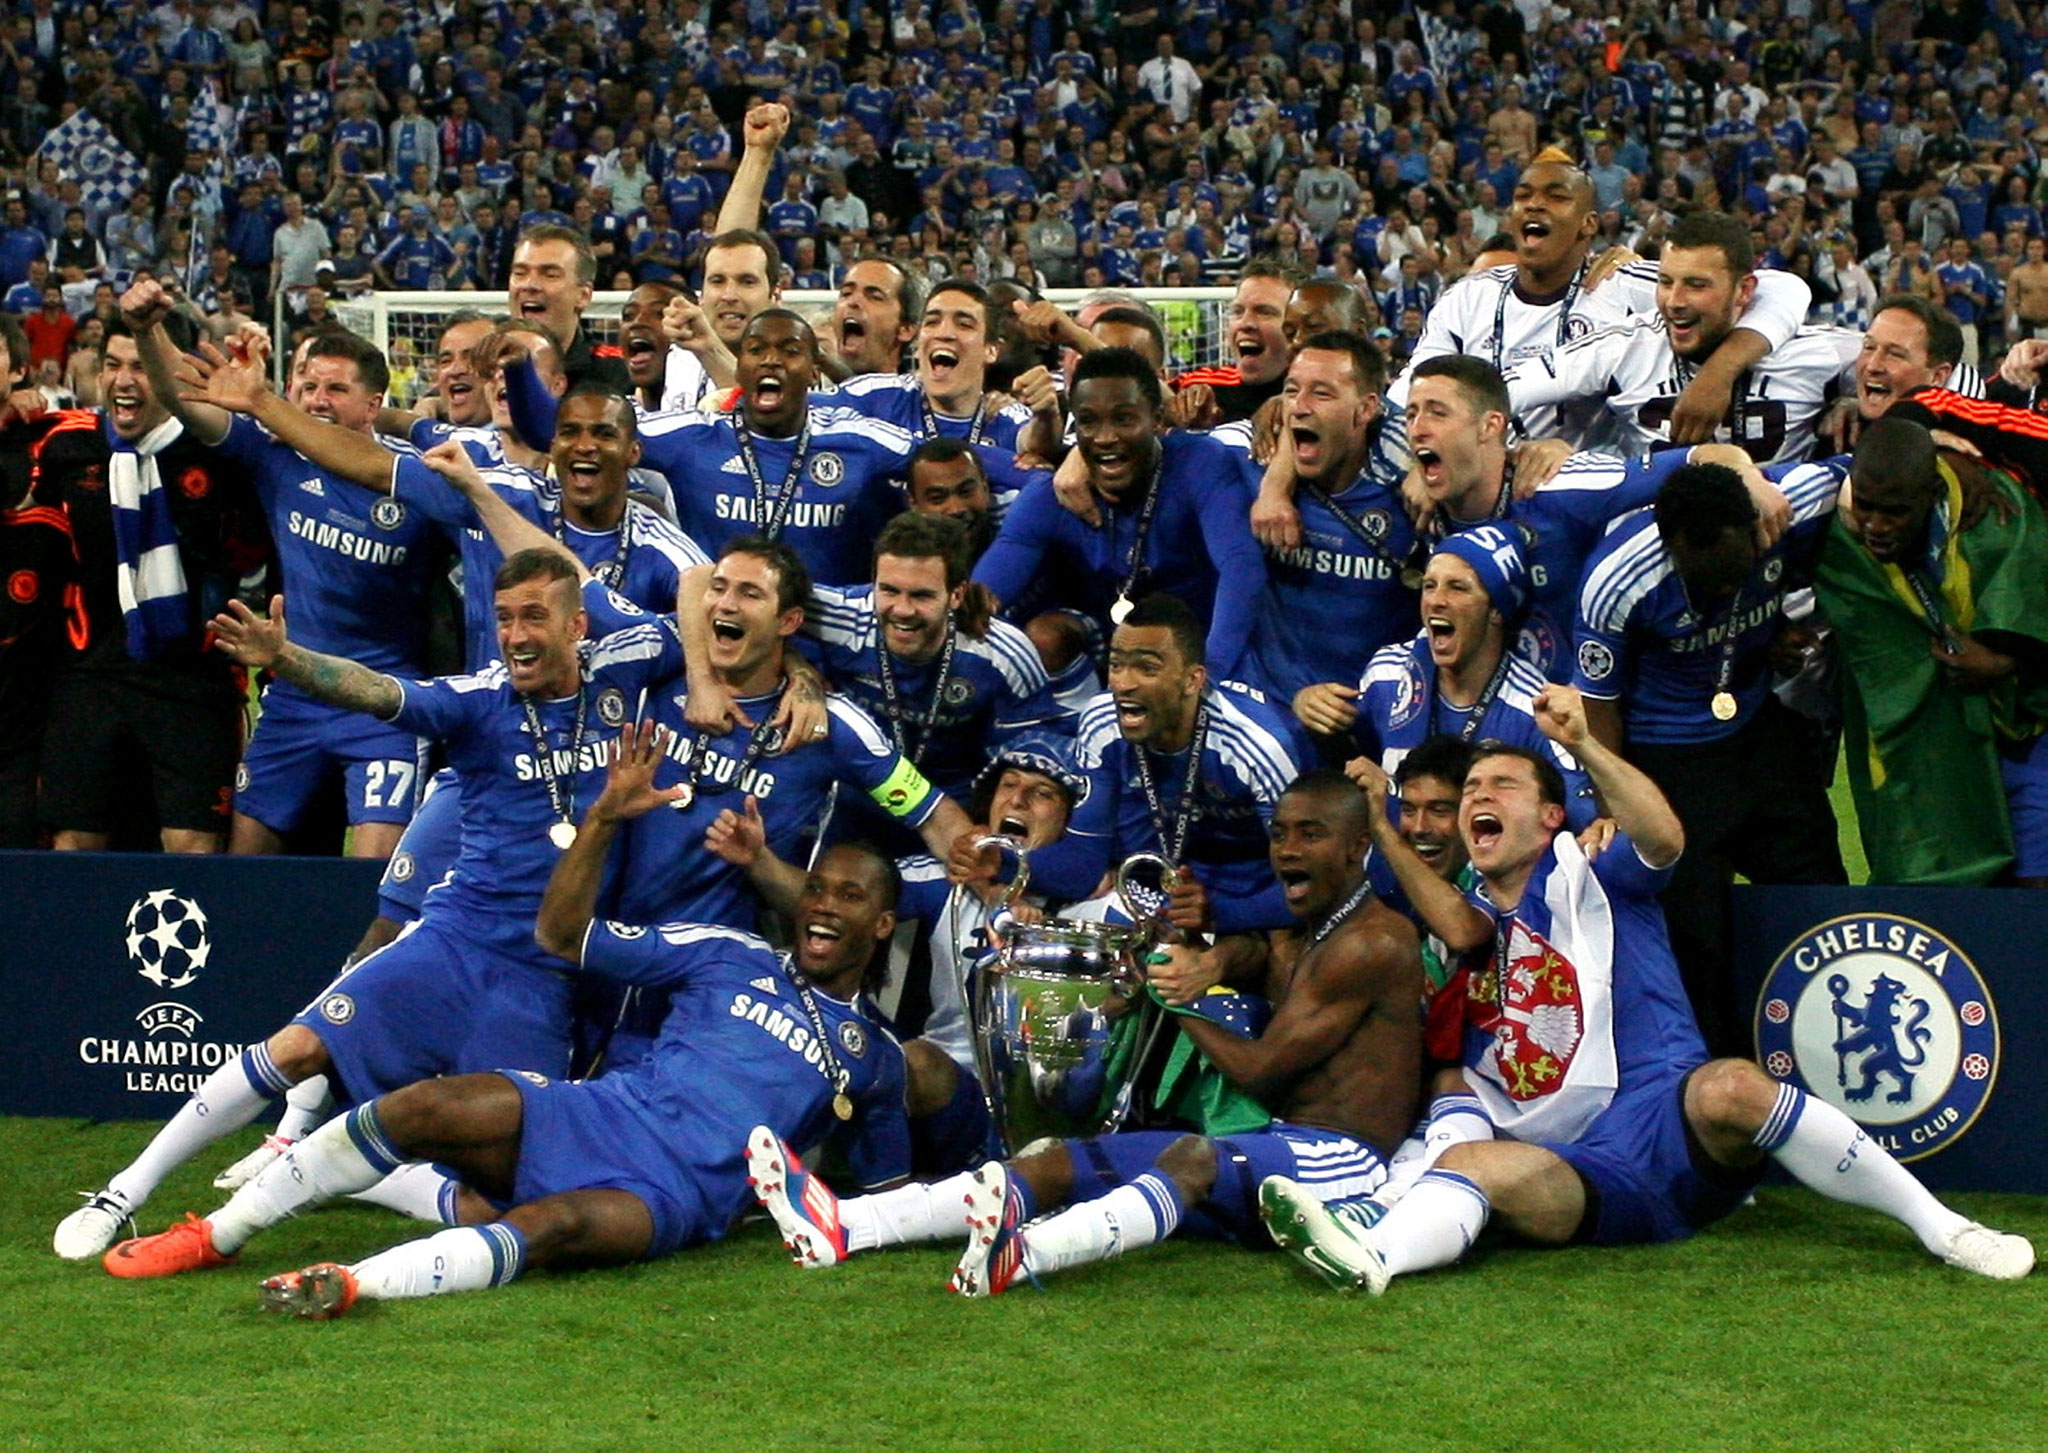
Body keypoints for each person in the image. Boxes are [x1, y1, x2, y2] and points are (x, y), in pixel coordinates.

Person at [98, 724, 912, 1315]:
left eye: (849, 896)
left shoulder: (874, 1055)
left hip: (671, 1190)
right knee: (421, 1107)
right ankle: (219, 1233)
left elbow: (883, 1196)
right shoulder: (728, 950)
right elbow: (564, 934)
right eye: (816, 889)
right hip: (603, 1109)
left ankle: (351, 1282)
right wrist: (601, 820)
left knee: (547, 1225)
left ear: (882, 924)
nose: (823, 907)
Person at [1258, 691, 2034, 1290]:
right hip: (1578, 1169)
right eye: (1471, 792)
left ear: (1552, 814)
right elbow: (1457, 926)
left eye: (1500, 785)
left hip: (1668, 1123)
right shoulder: (1473, 928)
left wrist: (1585, 743)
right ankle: (1375, 1257)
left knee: (1732, 1085)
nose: (1476, 798)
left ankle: (1943, 1227)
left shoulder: (1594, 872)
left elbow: (1664, 837)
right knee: (1473, 1159)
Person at [53, 545, 683, 1262]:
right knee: (299, 1047)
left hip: (542, 978)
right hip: (452, 941)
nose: (515, 636)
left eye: (534, 617)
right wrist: (286, 660)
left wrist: (803, 680)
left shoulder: (626, 669)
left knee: (510, 1200)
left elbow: (708, 620)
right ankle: (123, 1192)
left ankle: (358, 1174)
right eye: (504, 618)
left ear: (577, 627)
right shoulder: (480, 700)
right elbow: (378, 692)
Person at [748, 768, 1422, 1296]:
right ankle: (849, 1224)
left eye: (1309, 834)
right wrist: (1212, 959)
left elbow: (1263, 1069)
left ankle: (1030, 1253)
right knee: (1062, 1158)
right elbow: (1257, 953)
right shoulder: (1308, 931)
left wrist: (1172, 995)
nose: (1286, 850)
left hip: (1344, 1159)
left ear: (1359, 847)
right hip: (1272, 1146)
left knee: (1190, 1157)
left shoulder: (1377, 941)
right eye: (1278, 833)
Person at [127, 279, 441, 859]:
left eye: (337, 389)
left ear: (375, 404)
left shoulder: (419, 480)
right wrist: (148, 330)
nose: (318, 399)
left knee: (375, 872)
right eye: (309, 385)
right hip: (293, 699)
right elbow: (182, 398)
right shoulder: (275, 456)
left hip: (384, 703)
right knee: (246, 863)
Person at [1572, 458, 1849, 1053]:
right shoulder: (1619, 580)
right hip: (1667, 760)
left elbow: (1864, 470)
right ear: (1671, 547)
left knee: (1820, 889)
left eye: (1735, 577)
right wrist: (1614, 804)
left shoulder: (1784, 505)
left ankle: (1830, 1050)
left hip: (1756, 731)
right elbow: (1600, 707)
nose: (1726, 594)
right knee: (1697, 939)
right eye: (1708, 585)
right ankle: (1722, 1091)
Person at [0, 312, 265, 853]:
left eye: (143, 367)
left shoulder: (218, 448)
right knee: (72, 842)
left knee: (192, 843)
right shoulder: (63, 444)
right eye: (112, 364)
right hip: (90, 671)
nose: (124, 380)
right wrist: (13, 407)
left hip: (191, 676)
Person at [1387, 158, 1811, 455]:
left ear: (1589, 224)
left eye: (1556, 197)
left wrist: (1720, 371)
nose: (1535, 204)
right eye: (1524, 195)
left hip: (1581, 489)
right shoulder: (1468, 296)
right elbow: (1410, 389)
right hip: (1474, 473)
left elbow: (1780, 290)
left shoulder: (1625, 282)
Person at [956, 592, 1307, 937]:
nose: (1123, 683)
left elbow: (1313, 882)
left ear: (1193, 680)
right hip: (1157, 899)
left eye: (1146, 668)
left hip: (1254, 908)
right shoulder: (1101, 722)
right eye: (1117, 663)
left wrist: (1221, 917)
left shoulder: (1258, 749)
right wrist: (1003, 864)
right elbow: (1085, 862)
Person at [1816, 416, 2048, 885]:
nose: (1876, 526)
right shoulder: (1836, 534)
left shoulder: (2001, 517)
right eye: (1868, 507)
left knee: (2036, 881)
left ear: (1933, 492)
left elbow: (2037, 606)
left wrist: (2008, 660)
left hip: (2022, 733)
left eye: (1896, 512)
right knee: (1934, 884)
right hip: (1929, 741)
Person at [972, 347, 1266, 681]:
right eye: (1089, 422)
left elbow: (1241, 566)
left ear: (1157, 419)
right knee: (1046, 636)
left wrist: (1209, 673)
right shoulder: (1054, 494)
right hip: (1108, 648)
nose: (1105, 438)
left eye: (1123, 419)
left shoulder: (1200, 465)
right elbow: (983, 596)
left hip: (1202, 647)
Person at [589, 309, 919, 587]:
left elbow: (950, 461)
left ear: (813, 372)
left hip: (832, 639)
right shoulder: (693, 436)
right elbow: (587, 433)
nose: (771, 361)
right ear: (740, 368)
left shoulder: (859, 440)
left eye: (790, 351)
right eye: (756, 350)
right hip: (720, 627)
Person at [1502, 210, 1858, 464]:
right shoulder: (1624, 346)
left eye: (1696, 285)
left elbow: (1906, 372)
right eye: (1666, 281)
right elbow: (1500, 390)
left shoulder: (1814, 351)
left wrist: (1860, 402)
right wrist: (1531, 451)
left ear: (1744, 290)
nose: (1674, 302)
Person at [803, 510, 1068, 813]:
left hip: (959, 805)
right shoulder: (838, 617)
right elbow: (752, 606)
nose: (902, 609)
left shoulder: (1005, 655)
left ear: (956, 595)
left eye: (921, 596)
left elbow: (1035, 751)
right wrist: (798, 670)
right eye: (889, 590)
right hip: (857, 799)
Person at [1337, 527, 1595, 823]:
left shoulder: (1534, 710)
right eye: (1429, 586)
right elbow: (1354, 761)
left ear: (1496, 610)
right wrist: (1316, 717)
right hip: (1396, 857)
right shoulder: (1387, 675)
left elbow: (1580, 817)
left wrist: (1599, 826)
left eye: (1457, 587)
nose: (1436, 600)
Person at [1240, 330, 1418, 709]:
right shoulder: (1250, 463)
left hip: (1377, 709)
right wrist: (1077, 459)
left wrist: (1546, 450)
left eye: (1322, 394)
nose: (1299, 408)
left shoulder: (1414, 494)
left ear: (1367, 409)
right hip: (1269, 707)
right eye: (1291, 391)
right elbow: (1163, 447)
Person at [508, 223, 629, 391]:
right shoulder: (479, 365)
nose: (530, 285)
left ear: (583, 295)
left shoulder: (617, 375)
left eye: (550, 275)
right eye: (520, 273)